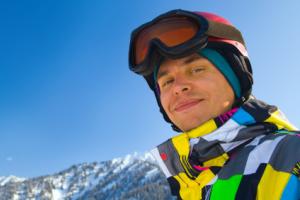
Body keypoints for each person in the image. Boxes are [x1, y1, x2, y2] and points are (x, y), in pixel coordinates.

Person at [128, 9, 300, 199]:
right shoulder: (192, 183)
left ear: (236, 76)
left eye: (196, 69)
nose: (178, 88)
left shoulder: (291, 156)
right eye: (167, 82)